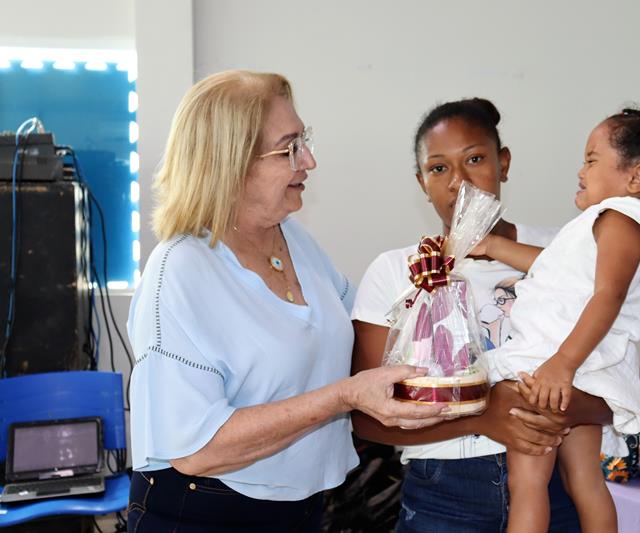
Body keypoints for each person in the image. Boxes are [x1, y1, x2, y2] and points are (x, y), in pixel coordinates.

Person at [125, 70, 447, 532]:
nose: (309, 160)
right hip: (203, 514)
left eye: (305, 140)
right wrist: (343, 397)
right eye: (289, 148)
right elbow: (197, 449)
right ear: (230, 163)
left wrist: (445, 308)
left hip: (300, 507)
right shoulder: (179, 270)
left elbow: (363, 336)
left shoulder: (294, 241)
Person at [351, 97, 614, 532]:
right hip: (444, 495)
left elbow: (617, 391)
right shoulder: (396, 270)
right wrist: (485, 415)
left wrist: (557, 408)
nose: (459, 182)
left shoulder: (563, 254)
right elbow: (367, 418)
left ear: (503, 163)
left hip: (557, 486)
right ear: (422, 182)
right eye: (439, 168)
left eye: (475, 159)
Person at [475, 108, 640, 532]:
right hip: (579, 370)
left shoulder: (622, 216)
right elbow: (551, 269)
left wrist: (561, 365)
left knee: (527, 484)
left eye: (592, 159)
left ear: (636, 178)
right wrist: (492, 247)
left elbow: (608, 295)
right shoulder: (601, 225)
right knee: (582, 479)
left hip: (554, 365)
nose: (581, 170)